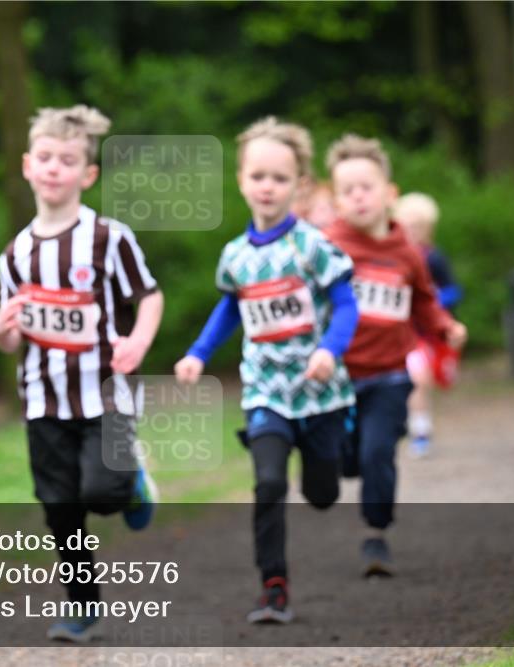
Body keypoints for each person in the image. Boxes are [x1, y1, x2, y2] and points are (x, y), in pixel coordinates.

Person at [0, 105, 164, 642]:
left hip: (106, 391)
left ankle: (132, 480)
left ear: (87, 175)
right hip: (43, 399)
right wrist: (2, 331)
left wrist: (138, 339)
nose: (53, 168)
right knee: (59, 508)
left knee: (102, 494)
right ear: (26, 165)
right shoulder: (15, 253)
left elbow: (150, 296)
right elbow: (11, 338)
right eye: (44, 157)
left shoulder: (109, 239)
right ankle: (83, 606)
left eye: (66, 160)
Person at [175, 117, 359, 623]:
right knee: (269, 484)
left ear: (299, 186)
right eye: (258, 176)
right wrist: (197, 353)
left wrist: (329, 349)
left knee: (322, 495)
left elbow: (346, 305)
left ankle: (334, 452)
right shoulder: (235, 255)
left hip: (319, 389)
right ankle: (272, 586)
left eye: (279, 178)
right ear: (241, 181)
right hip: (266, 390)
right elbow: (230, 309)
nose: (267, 187)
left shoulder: (312, 246)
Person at [324, 134, 467, 577]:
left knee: (377, 453)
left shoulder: (407, 252)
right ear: (336, 199)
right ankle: (344, 463)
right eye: (347, 190)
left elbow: (424, 300)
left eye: (367, 186)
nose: (358, 196)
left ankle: (376, 534)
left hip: (389, 374)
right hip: (337, 378)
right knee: (344, 459)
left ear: (390, 193)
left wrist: (445, 326)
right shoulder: (326, 244)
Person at [396, 192, 463, 458]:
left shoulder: (434, 258)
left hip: (428, 331)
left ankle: (419, 425)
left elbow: (454, 291)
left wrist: (431, 300)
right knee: (417, 378)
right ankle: (419, 429)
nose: (412, 231)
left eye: (417, 226)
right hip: (403, 332)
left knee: (428, 379)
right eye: (407, 225)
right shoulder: (394, 256)